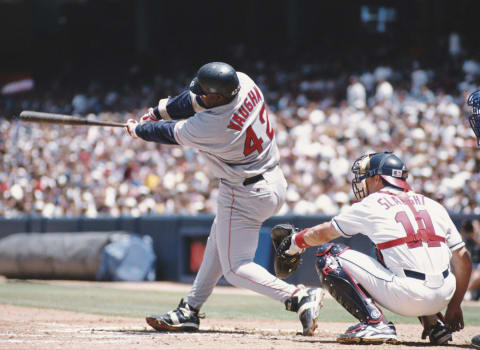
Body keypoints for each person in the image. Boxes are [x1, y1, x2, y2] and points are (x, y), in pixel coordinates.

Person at [125, 62, 323, 335]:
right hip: (272, 180)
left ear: (218, 96)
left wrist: (139, 130)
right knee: (218, 241)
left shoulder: (213, 126)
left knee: (235, 267)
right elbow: (192, 101)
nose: (201, 95)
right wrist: (157, 112)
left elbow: (170, 133)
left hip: (243, 191)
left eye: (207, 93)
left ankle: (297, 296)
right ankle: (189, 310)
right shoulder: (244, 82)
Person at [276, 151, 472, 344]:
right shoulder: (433, 205)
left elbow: (323, 234)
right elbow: (463, 259)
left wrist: (295, 242)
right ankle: (435, 323)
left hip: (409, 296)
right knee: (393, 252)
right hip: (445, 295)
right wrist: (454, 305)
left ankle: (375, 323)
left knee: (329, 255)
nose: (362, 182)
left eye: (366, 177)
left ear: (378, 179)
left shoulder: (372, 203)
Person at [462, 220, 480, 301]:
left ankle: (465, 291)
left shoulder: (476, 237)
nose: (472, 229)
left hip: (478, 266)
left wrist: (475, 236)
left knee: (477, 273)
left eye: (474, 227)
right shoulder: (468, 239)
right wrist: (464, 232)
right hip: (471, 265)